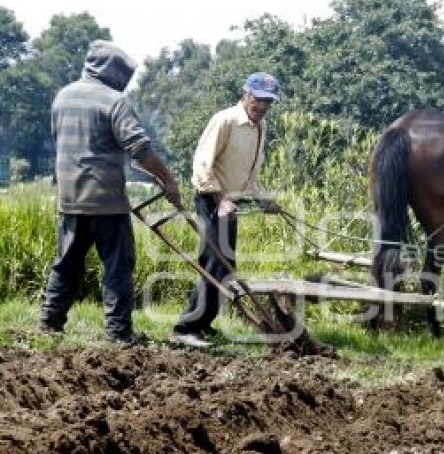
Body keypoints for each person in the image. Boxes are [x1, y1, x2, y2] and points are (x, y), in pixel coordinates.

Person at [40, 40, 182, 343]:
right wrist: (168, 181)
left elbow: (60, 139)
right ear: (112, 71)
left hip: (69, 198)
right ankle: (119, 333)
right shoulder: (113, 100)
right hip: (106, 202)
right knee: (118, 266)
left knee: (66, 263)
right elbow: (139, 147)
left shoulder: (62, 97)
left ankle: (50, 324)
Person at [171, 72, 282, 348]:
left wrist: (262, 199)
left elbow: (249, 172)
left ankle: (202, 325)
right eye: (259, 100)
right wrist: (220, 200)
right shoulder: (225, 120)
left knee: (226, 266)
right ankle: (185, 328)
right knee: (215, 263)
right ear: (246, 95)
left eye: (268, 102)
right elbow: (202, 164)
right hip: (212, 200)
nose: (263, 107)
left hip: (233, 203)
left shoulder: (260, 127)